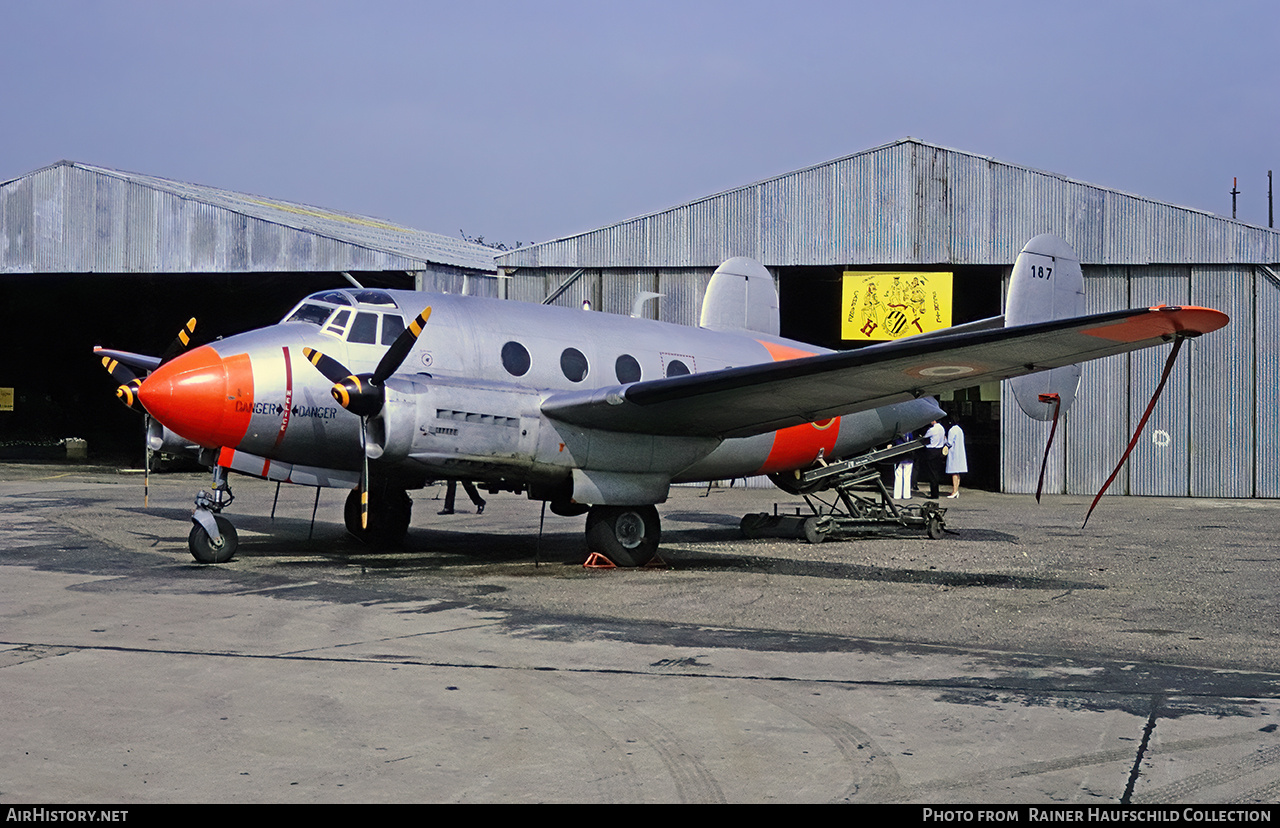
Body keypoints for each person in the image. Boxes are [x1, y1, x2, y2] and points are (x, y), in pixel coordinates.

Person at [922, 419, 946, 499]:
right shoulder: (942, 428)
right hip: (939, 450)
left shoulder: (932, 429)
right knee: (936, 472)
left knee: (932, 473)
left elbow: (925, 437)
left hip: (931, 451)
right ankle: (936, 492)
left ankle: (934, 493)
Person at [946, 418, 968, 498]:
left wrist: (945, 441)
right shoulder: (959, 429)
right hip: (960, 453)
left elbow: (949, 443)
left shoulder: (952, 430)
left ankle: (954, 491)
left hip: (954, 453)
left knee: (954, 472)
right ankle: (956, 490)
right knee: (957, 473)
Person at [893, 432, 915, 499]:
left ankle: (897, 495)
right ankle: (906, 495)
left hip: (898, 458)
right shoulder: (909, 433)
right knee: (907, 476)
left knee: (898, 476)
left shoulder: (896, 434)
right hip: (908, 457)